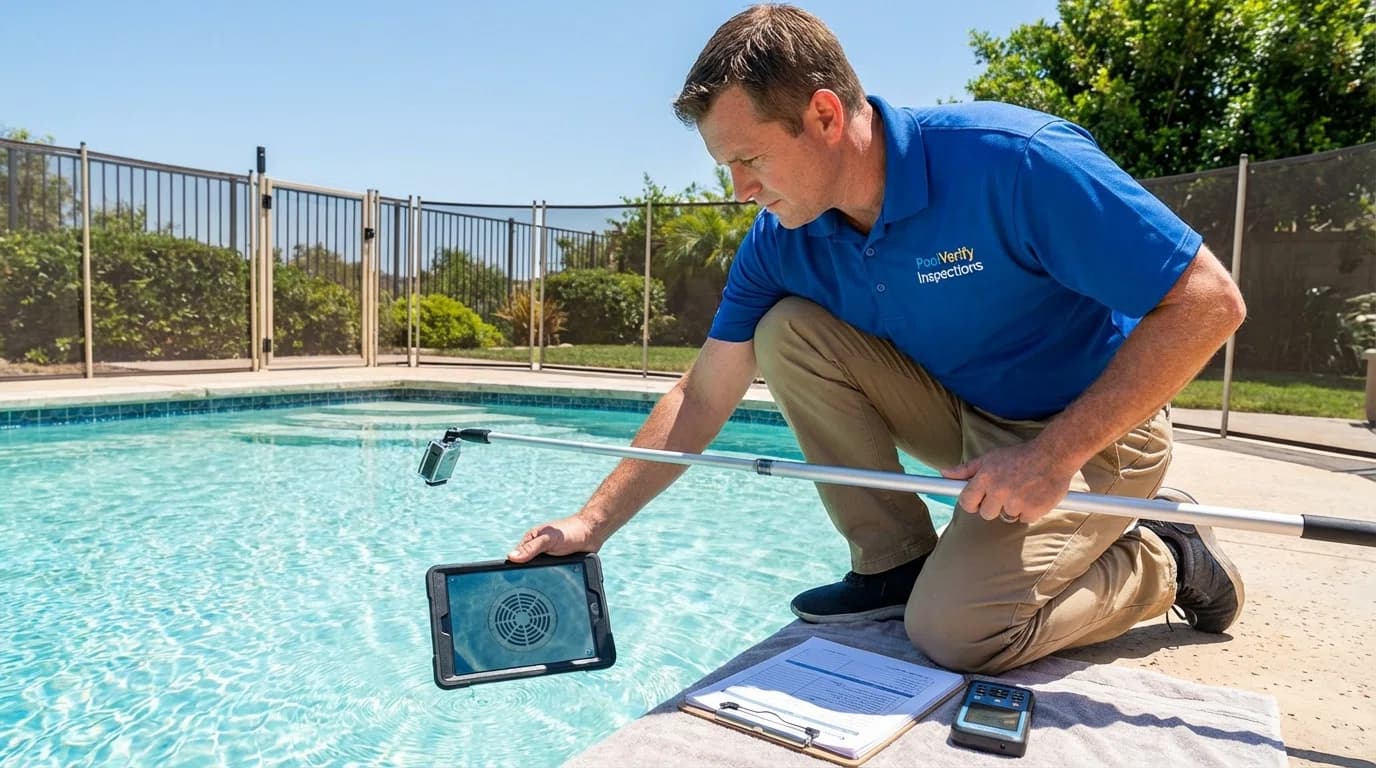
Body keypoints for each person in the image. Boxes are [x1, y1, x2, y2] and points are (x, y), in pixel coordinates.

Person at [508, 3, 1247, 674]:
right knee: (786, 331)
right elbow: (701, 395)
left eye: (749, 159)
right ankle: (894, 564)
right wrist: (590, 523)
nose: (739, 190)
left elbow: (1209, 303)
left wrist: (1052, 456)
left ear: (825, 115)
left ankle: (1168, 558)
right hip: (968, 417)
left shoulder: (1013, 159)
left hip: (1095, 434)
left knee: (960, 635)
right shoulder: (781, 240)